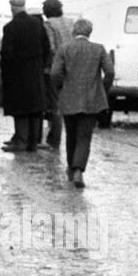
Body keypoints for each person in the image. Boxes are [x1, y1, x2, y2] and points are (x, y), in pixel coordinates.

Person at [51, 18, 114, 187]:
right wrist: (102, 89)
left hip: (69, 98)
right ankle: (78, 170)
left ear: (74, 31)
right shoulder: (98, 49)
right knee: (84, 137)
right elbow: (110, 71)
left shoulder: (64, 49)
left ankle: (72, 168)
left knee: (71, 135)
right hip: (92, 99)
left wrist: (60, 88)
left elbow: (55, 73)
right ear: (89, 32)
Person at [0, 0, 51, 151]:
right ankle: (33, 143)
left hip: (17, 74)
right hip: (36, 73)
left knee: (20, 109)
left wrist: (6, 70)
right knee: (35, 109)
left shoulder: (10, 27)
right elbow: (47, 48)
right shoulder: (37, 24)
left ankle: (21, 141)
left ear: (12, 8)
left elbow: (6, 53)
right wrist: (42, 66)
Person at [41, 0, 73, 148]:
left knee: (55, 105)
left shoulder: (48, 24)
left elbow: (51, 47)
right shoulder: (70, 22)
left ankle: (54, 139)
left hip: (54, 69)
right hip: (71, 68)